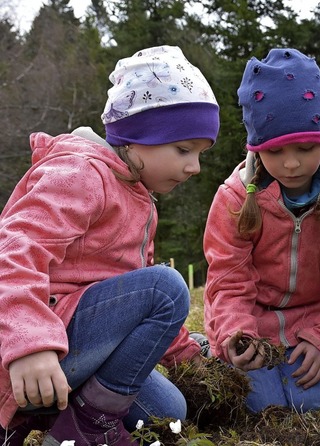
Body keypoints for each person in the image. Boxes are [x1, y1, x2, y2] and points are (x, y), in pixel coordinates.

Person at [0, 45, 220, 445]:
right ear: (137, 138)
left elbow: (134, 301)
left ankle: (55, 421)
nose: (194, 167)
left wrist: (186, 355)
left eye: (200, 154)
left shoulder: (136, 195)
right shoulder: (80, 173)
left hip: (74, 348)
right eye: (183, 150)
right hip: (34, 347)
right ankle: (86, 427)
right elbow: (14, 251)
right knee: (166, 286)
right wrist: (29, 344)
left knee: (169, 411)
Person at [201, 48, 320, 414]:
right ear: (256, 148)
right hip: (249, 324)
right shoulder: (233, 198)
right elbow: (228, 281)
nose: (291, 163)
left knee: (317, 406)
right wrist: (238, 336)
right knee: (262, 407)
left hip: (308, 326)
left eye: (305, 148)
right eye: (275, 152)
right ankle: (209, 347)